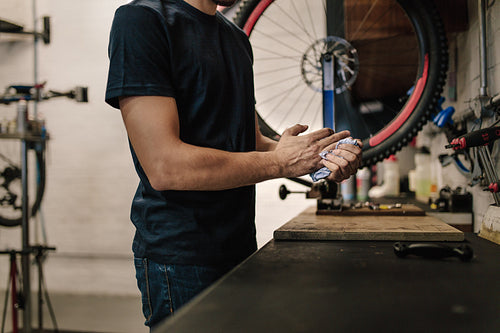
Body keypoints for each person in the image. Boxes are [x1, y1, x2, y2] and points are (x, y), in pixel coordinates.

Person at [105, 0, 362, 328]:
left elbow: (250, 143)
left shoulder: (235, 38)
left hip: (240, 247)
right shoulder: (142, 20)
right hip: (181, 257)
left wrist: (318, 159)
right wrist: (281, 163)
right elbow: (165, 166)